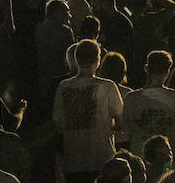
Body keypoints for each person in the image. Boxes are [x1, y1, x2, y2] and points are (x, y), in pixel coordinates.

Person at [53, 39, 124, 183]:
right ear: (98, 61)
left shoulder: (63, 87)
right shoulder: (108, 86)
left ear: (76, 60)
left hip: (74, 160)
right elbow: (122, 121)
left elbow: (58, 123)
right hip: (102, 159)